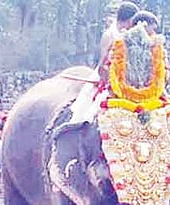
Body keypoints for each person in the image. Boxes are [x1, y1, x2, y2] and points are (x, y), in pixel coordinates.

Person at [55, 2, 139, 135]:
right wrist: (111, 81)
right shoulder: (109, 35)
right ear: (129, 20)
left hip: (126, 79)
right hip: (107, 76)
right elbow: (103, 64)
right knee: (88, 109)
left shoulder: (131, 36)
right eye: (134, 22)